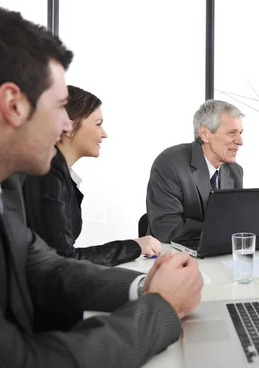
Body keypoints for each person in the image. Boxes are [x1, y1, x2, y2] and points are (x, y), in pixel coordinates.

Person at [0, 7, 203, 368]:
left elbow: (46, 266)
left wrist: (144, 287)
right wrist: (161, 308)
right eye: (61, 106)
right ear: (13, 105)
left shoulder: (3, 186)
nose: (67, 125)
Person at [22, 85, 161, 266]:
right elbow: (64, 259)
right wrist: (134, 246)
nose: (104, 134)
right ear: (68, 126)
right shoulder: (47, 176)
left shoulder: (58, 173)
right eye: (98, 124)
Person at [146, 99, 259, 243]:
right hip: (173, 258)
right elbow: (169, 230)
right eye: (232, 133)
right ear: (205, 134)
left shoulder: (234, 171)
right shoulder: (170, 164)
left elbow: (243, 219)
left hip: (214, 256)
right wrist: (228, 229)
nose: (240, 141)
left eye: (240, 133)